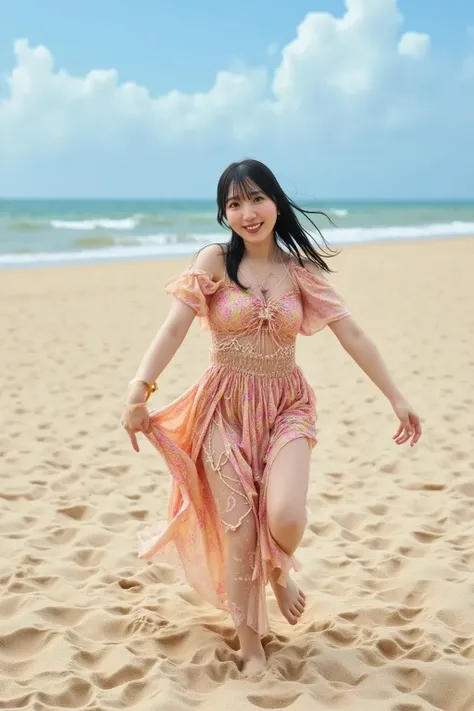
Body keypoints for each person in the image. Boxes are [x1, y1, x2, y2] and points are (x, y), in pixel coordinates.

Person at [120, 158, 422, 675]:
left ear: (276, 201)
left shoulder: (298, 272)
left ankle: (279, 571)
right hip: (221, 408)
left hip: (285, 406)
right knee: (239, 527)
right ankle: (252, 645)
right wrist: (138, 389)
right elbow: (173, 329)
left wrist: (396, 396)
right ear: (224, 215)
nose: (247, 212)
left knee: (284, 513)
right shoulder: (214, 262)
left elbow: (353, 334)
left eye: (256, 198)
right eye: (233, 204)